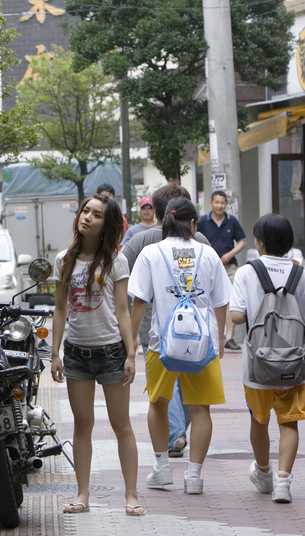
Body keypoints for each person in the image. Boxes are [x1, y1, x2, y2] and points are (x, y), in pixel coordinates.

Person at [128, 197, 229, 495]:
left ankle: (161, 469)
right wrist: (220, 337)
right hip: (203, 343)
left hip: (162, 342)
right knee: (201, 410)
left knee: (157, 403)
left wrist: (132, 340)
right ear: (193, 223)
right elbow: (221, 301)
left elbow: (139, 302)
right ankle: (194, 476)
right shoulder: (208, 254)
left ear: (164, 222)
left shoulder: (151, 253)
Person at [50, 194, 143, 516]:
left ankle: (131, 496)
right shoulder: (64, 259)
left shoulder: (116, 261)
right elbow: (60, 308)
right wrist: (55, 353)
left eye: (97, 214)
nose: (87, 217)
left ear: (108, 224)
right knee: (82, 425)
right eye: (85, 211)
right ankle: (82, 495)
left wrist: (131, 354)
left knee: (122, 425)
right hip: (76, 354)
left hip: (112, 353)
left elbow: (122, 310)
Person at [123, 185, 213, 458]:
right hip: (197, 330)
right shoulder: (202, 242)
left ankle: (174, 436)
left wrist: (129, 335)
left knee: (166, 387)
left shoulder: (139, 242)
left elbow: (123, 279)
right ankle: (177, 434)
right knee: (190, 383)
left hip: (154, 328)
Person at [230, 214, 305, 504]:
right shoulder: (300, 272)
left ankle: (264, 475)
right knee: (290, 423)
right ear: (288, 242)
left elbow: (236, 315)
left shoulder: (248, 273)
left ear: (259, 242)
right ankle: (284, 482)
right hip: (294, 362)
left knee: (259, 421)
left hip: (258, 364)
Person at [197, 190, 247, 350]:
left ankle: (229, 338)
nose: (219, 205)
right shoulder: (202, 221)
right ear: (211, 203)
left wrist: (229, 254)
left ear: (226, 204)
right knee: (208, 299)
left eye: (222, 202)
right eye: (216, 202)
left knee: (230, 300)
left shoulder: (232, 221)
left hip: (229, 266)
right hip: (207, 268)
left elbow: (243, 241)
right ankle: (208, 334)